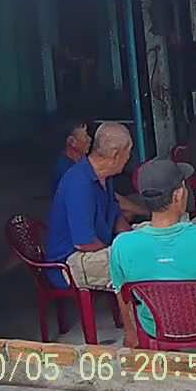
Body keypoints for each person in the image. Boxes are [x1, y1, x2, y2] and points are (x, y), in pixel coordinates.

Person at [110, 160, 196, 348]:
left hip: (155, 328)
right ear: (178, 194)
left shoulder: (122, 245)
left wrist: (131, 333)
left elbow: (122, 296)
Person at [45, 123, 134, 290]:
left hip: (97, 248)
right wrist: (119, 251)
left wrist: (134, 240)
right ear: (115, 155)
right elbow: (84, 243)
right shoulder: (79, 184)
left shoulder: (105, 176)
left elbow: (115, 214)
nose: (129, 157)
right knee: (141, 263)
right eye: (128, 152)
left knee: (149, 238)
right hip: (70, 262)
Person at [50, 118, 91, 196]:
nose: (89, 139)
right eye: (85, 136)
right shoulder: (66, 171)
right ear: (72, 142)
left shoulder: (83, 162)